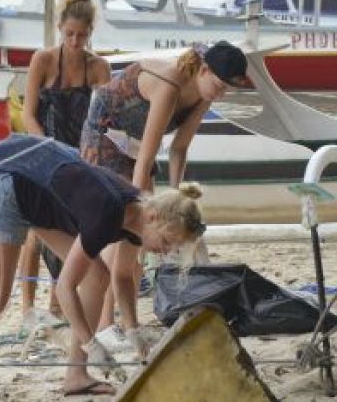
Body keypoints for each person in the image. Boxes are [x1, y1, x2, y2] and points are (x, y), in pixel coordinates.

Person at [0, 134, 205, 402]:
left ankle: (76, 375)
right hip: (14, 191)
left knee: (98, 277)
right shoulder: (108, 212)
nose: (165, 252)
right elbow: (64, 288)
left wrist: (133, 331)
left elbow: (123, 278)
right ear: (153, 217)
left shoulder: (138, 218)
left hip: (44, 205)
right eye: (166, 243)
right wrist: (91, 343)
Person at [79, 41, 248, 353]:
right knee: (127, 233)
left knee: (148, 239)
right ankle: (104, 325)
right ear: (204, 69)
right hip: (106, 134)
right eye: (219, 85)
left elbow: (179, 148)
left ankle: (125, 324)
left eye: (227, 89)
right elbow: (145, 161)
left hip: (135, 145)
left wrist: (178, 199)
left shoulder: (205, 94)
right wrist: (144, 211)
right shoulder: (170, 83)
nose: (220, 92)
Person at [17, 0, 112, 323]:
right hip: (44, 146)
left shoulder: (99, 68)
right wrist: (46, 149)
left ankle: (59, 301)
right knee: (35, 228)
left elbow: (103, 121)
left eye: (81, 36)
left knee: (73, 227)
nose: (75, 42)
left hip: (82, 154)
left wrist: (90, 155)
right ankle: (29, 306)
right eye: (69, 34)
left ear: (90, 34)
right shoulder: (42, 60)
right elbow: (28, 114)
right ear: (60, 28)